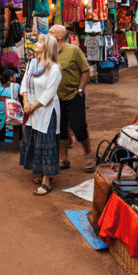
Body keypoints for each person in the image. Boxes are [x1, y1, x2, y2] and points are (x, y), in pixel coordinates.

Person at [19, 34, 62, 196]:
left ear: (46, 47)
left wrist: (33, 106)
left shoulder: (55, 69)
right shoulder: (32, 64)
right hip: (32, 109)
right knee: (35, 140)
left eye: (39, 42)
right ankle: (40, 173)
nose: (36, 44)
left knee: (46, 144)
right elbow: (24, 83)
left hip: (46, 111)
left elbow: (49, 94)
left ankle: (46, 182)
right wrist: (25, 102)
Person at [52, 25, 94, 172]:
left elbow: (86, 70)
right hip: (56, 98)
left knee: (78, 126)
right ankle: (64, 159)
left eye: (51, 32)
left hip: (73, 96)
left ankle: (89, 155)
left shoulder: (73, 50)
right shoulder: (48, 52)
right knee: (60, 128)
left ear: (60, 36)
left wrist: (80, 90)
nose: (47, 34)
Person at [0, 69, 20, 142]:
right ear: (11, 77)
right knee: (20, 116)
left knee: (3, 113)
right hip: (9, 113)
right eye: (14, 76)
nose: (15, 77)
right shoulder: (16, 86)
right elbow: (21, 96)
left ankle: (1, 138)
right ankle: (18, 139)